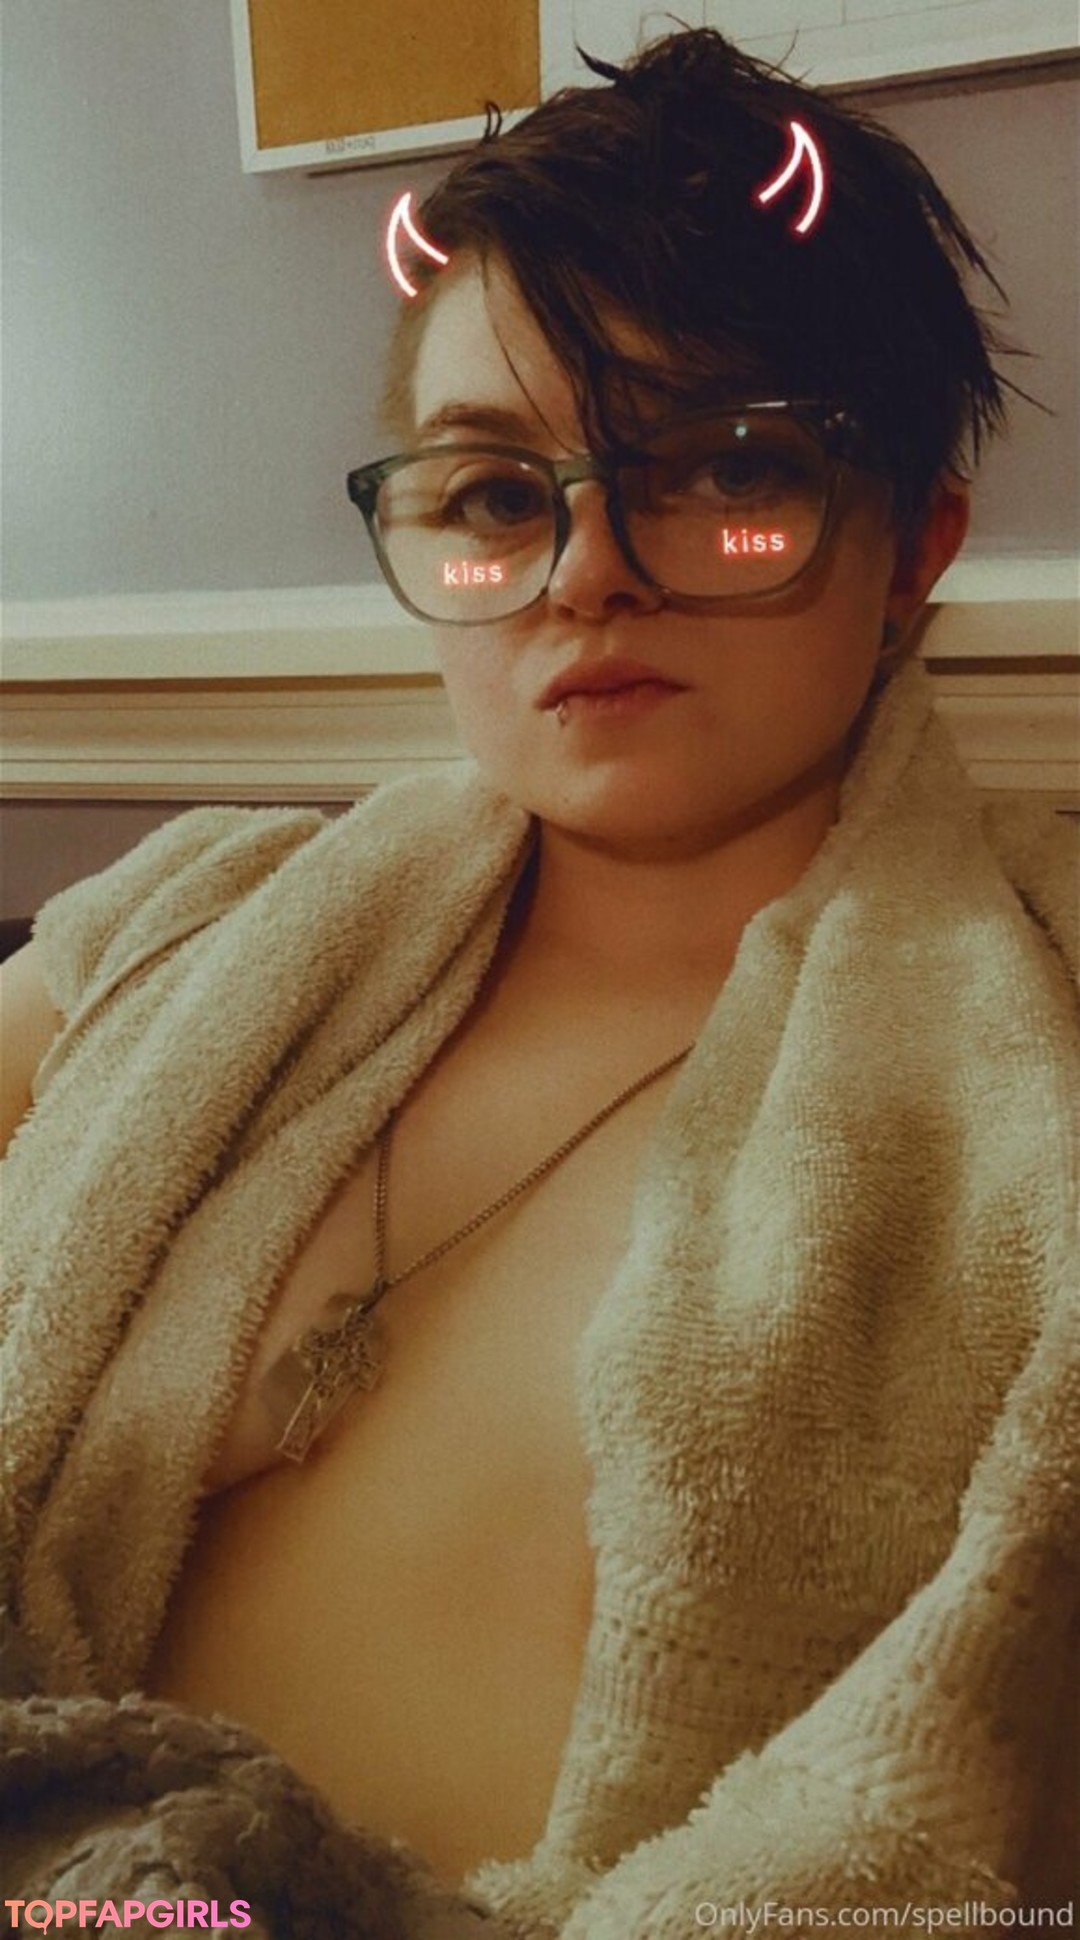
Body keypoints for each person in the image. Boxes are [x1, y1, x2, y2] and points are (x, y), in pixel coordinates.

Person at [1, 27, 1077, 1937]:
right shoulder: (188, 932)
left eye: (729, 469)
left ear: (914, 545)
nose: (588, 572)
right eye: (497, 497)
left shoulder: (1039, 1052)